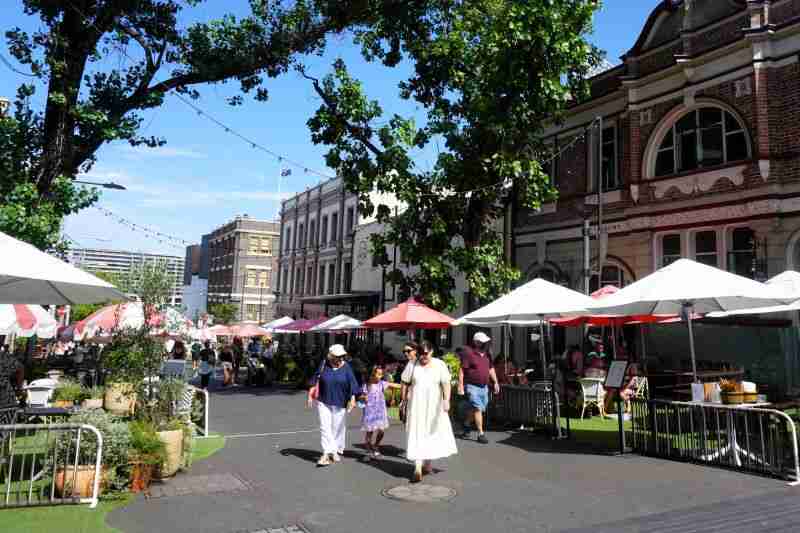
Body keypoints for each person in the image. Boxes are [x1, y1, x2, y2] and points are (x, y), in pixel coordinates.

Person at [401, 339, 458, 483]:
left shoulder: (440, 365)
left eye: (425, 353)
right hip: (417, 405)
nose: (423, 356)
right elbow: (404, 382)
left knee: (432, 432)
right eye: (420, 353)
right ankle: (418, 467)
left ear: (432, 352)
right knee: (417, 432)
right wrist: (403, 400)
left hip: (434, 405)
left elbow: (446, 383)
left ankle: (427, 464)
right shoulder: (412, 365)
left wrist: (446, 400)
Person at [307, 344, 359, 466]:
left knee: (337, 428)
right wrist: (310, 394)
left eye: (342, 356)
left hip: (340, 401)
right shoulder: (324, 364)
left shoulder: (346, 367)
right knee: (325, 427)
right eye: (338, 356)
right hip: (323, 400)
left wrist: (352, 399)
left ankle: (334, 450)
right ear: (330, 356)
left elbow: (352, 384)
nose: (340, 358)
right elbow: (315, 379)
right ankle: (326, 453)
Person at [457, 332, 500, 444]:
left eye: (486, 341)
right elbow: (462, 370)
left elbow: (491, 369)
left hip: (484, 387)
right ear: (476, 342)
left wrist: (495, 382)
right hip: (472, 386)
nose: (486, 343)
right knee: (478, 408)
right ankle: (481, 434)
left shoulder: (487, 355)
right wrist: (461, 385)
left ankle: (466, 424)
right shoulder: (469, 354)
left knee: (480, 408)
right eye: (483, 341)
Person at [360, 366, 401, 461]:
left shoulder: (382, 384)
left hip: (380, 412)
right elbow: (362, 396)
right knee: (369, 432)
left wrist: (407, 385)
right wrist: (363, 397)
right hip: (370, 412)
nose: (381, 376)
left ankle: (375, 446)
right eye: (378, 374)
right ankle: (368, 451)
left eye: (381, 374)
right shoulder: (367, 385)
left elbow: (395, 385)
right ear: (373, 375)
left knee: (381, 431)